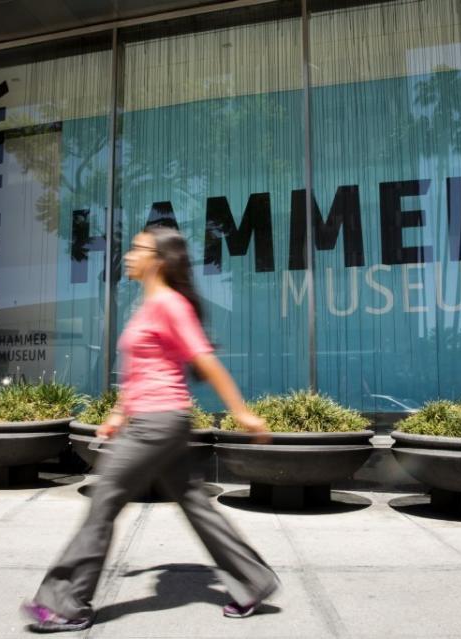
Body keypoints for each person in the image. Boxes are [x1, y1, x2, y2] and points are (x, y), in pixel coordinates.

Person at [22, 226, 279, 633]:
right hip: (154, 421)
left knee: (104, 501)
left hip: (157, 425)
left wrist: (242, 413)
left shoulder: (170, 305)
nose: (128, 254)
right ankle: (254, 582)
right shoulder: (148, 305)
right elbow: (142, 372)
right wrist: (118, 415)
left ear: (158, 260)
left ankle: (65, 603)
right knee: (194, 504)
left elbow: (206, 360)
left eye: (138, 249)